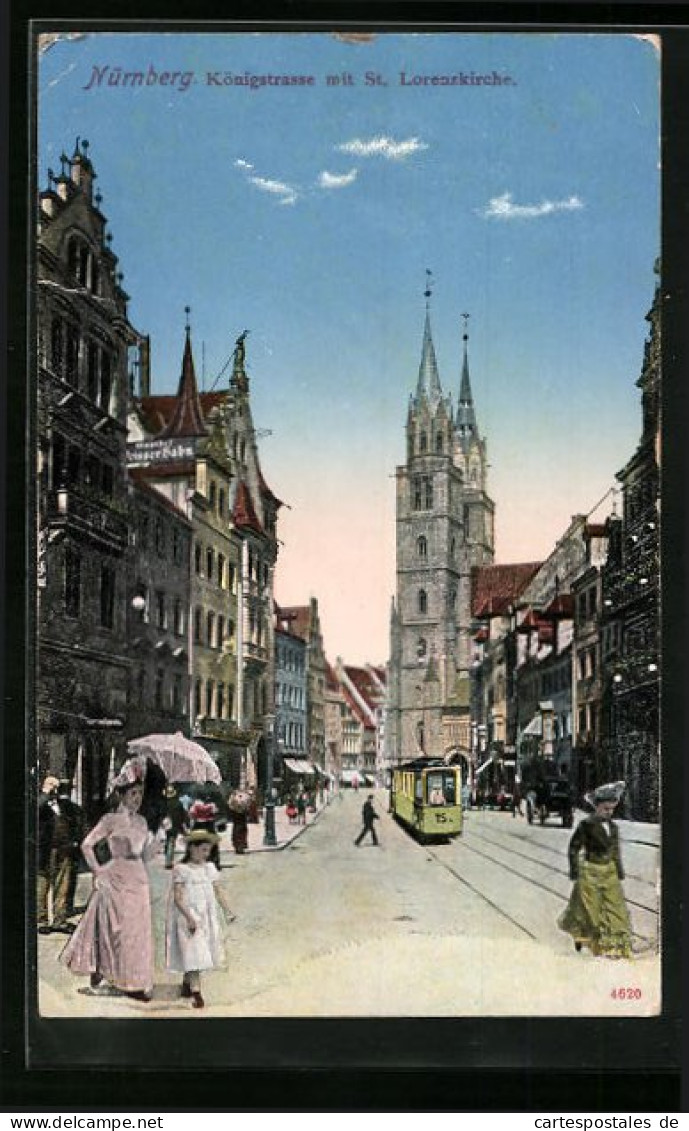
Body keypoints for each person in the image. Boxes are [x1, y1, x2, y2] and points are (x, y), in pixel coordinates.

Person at [60, 759, 158, 1001]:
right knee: (115, 932)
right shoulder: (110, 820)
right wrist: (98, 872)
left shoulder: (142, 822)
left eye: (140, 794)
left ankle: (134, 983)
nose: (138, 799)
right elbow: (87, 845)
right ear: (122, 795)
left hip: (138, 881)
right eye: (133, 794)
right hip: (115, 879)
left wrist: (157, 842)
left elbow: (144, 856)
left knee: (137, 934)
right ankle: (110, 977)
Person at [558, 781, 632, 959]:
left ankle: (619, 947)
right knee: (592, 912)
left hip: (610, 872)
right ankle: (594, 945)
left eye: (612, 809)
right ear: (597, 807)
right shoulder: (587, 825)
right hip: (590, 871)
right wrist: (575, 871)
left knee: (617, 911)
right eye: (605, 808)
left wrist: (619, 870)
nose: (609, 812)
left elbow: (615, 850)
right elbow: (574, 847)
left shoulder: (613, 827)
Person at [165, 828, 235, 1009]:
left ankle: (188, 983)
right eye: (203, 850)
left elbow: (218, 890)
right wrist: (188, 917)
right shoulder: (181, 869)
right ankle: (197, 993)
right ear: (191, 849)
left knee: (200, 951)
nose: (206, 854)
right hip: (188, 915)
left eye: (208, 851)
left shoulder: (209, 868)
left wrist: (228, 910)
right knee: (194, 950)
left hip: (206, 916)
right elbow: (178, 897)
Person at [37, 776, 85, 934]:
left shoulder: (63, 804)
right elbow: (36, 810)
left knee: (62, 885)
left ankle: (60, 920)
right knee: (42, 884)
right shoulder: (39, 802)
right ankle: (40, 920)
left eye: (56, 787)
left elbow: (74, 818)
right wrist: (45, 793)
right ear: (45, 785)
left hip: (63, 849)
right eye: (51, 785)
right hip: (45, 849)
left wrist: (74, 841)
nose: (54, 790)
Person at [188, 799, 222, 869]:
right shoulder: (212, 805)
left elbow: (191, 814)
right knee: (212, 844)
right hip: (209, 825)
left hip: (198, 825)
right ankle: (214, 861)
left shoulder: (196, 804)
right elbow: (215, 812)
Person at [162, 785, 190, 869]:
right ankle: (190, 856)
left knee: (169, 842)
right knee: (185, 839)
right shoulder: (178, 803)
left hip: (168, 825)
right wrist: (187, 823)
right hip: (178, 824)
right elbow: (184, 815)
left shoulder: (164, 804)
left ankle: (168, 861)